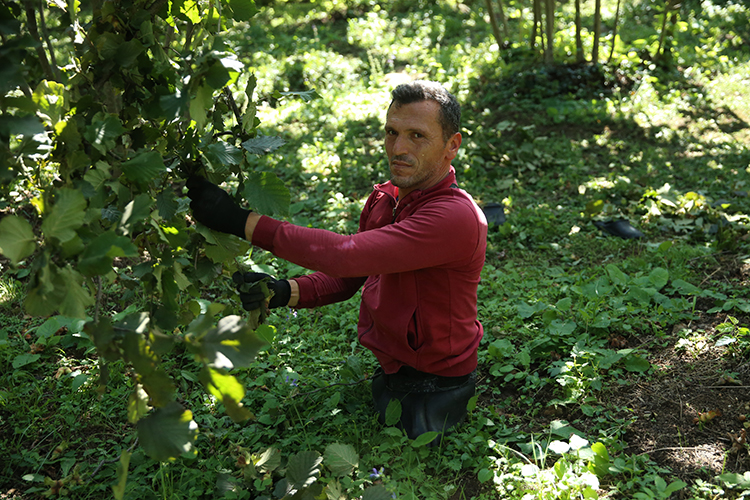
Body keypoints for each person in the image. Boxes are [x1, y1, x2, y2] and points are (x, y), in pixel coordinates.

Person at [187, 80, 487, 444]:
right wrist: (282, 291)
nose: (398, 148)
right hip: (391, 375)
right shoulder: (386, 199)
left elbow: (345, 256)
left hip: (438, 389)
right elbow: (348, 278)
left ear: (451, 145)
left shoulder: (454, 217)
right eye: (392, 132)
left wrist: (241, 222)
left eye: (417, 136)